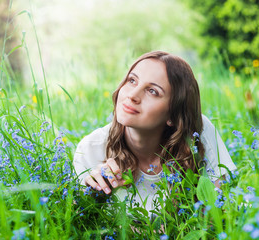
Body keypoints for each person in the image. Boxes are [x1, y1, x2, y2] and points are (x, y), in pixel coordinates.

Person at [73, 51, 236, 212]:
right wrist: (93, 195)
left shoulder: (197, 133)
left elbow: (221, 213)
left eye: (152, 91)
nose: (133, 95)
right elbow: (78, 224)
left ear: (173, 115)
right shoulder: (91, 149)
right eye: (132, 80)